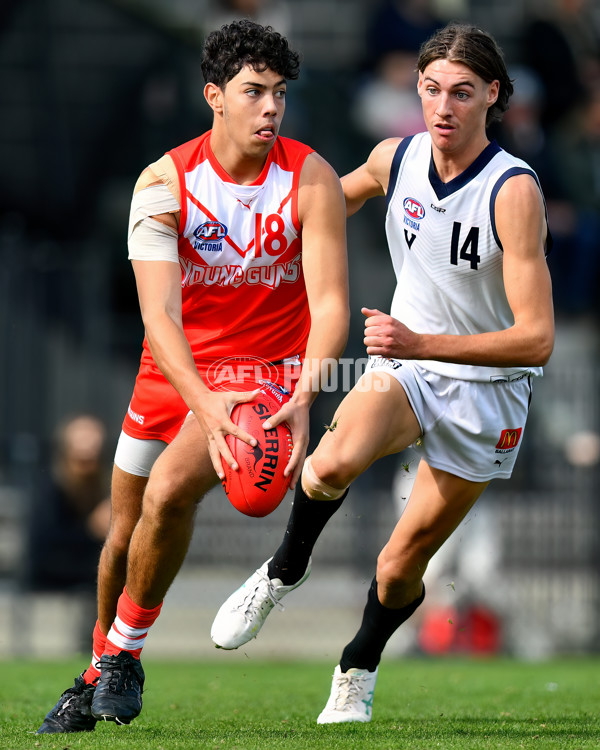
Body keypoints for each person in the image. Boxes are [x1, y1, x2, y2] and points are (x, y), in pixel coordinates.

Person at [211, 23, 555, 724]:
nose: (444, 106)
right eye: (430, 89)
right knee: (331, 459)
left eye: (462, 92)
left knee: (401, 568)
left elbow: (538, 339)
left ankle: (358, 665)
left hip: (487, 392)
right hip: (406, 365)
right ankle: (282, 572)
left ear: (491, 95)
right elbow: (328, 200)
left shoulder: (512, 191)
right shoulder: (395, 159)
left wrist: (423, 338)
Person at [37, 19, 348, 733]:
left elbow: (330, 304)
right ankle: (104, 666)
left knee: (171, 493)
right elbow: (159, 317)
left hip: (264, 375)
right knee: (123, 532)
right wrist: (203, 404)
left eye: (280, 93)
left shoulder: (312, 177)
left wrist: (304, 393)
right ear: (214, 95)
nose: (271, 108)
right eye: (253, 92)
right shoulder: (164, 181)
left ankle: (122, 655)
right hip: (175, 370)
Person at [25, 415, 111, 650]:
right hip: (53, 565)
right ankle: (97, 648)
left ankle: (113, 650)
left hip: (89, 562)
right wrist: (90, 528)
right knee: (107, 575)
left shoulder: (105, 483)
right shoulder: (50, 486)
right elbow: (44, 540)